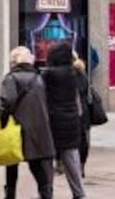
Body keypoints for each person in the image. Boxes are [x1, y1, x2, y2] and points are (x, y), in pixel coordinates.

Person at [0, 46, 54, 199]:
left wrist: (2, 121)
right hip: (37, 127)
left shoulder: (11, 78)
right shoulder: (38, 78)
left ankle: (10, 195)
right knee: (36, 164)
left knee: (11, 164)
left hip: (16, 127)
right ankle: (46, 194)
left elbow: (7, 102)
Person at [41, 44, 86, 199]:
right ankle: (79, 193)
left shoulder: (48, 74)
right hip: (71, 121)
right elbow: (79, 98)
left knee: (47, 159)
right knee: (71, 159)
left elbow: (41, 96)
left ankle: (47, 193)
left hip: (52, 121)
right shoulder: (75, 73)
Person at [72, 53, 92, 178]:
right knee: (83, 139)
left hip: (75, 112)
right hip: (84, 112)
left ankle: (77, 166)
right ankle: (81, 165)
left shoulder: (72, 76)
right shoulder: (83, 74)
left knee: (75, 140)